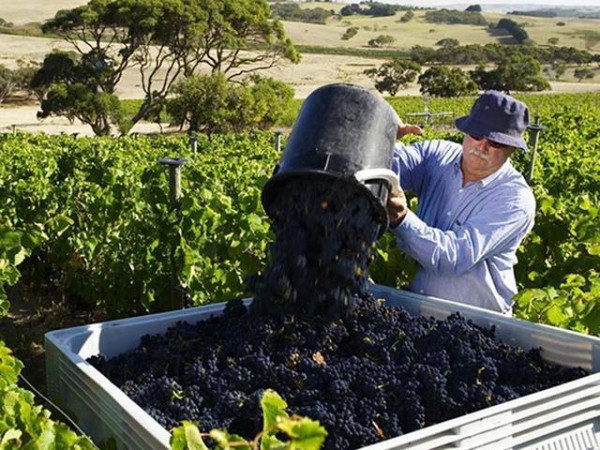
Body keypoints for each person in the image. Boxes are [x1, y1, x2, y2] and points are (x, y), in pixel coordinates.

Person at [386, 90, 536, 314]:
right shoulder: (437, 154)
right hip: (418, 310)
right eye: (477, 134)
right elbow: (391, 167)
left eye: (495, 142)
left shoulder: (514, 200)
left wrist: (400, 218)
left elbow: (452, 256)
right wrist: (383, 136)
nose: (482, 146)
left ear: (512, 149)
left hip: (478, 325)